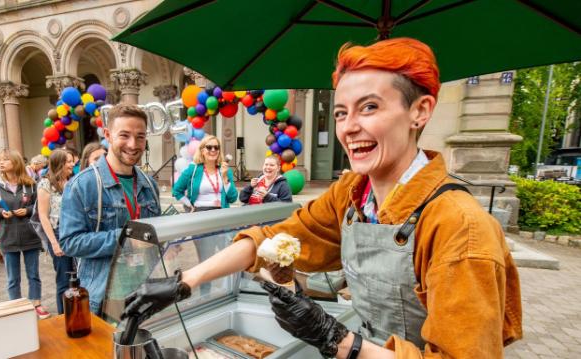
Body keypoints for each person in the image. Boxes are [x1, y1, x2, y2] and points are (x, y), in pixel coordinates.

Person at [122, 38, 522, 358]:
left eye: (370, 107)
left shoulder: (461, 226)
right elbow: (273, 238)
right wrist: (185, 282)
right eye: (341, 112)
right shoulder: (351, 195)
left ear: (420, 111)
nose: (350, 127)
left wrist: (337, 340)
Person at [58, 104, 161, 315]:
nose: (133, 144)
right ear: (108, 135)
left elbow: (154, 233)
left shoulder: (150, 185)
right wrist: (127, 238)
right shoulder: (82, 185)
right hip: (103, 299)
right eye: (125, 135)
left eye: (140, 137)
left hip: (144, 293)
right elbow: (70, 243)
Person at [0, 149, 50, 319]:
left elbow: (38, 207)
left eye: (5, 159)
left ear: (16, 162)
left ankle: (36, 304)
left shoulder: (30, 184)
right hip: (8, 236)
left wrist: (27, 211)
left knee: (33, 274)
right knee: (13, 278)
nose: (1, 162)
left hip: (30, 236)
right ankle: (17, 308)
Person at [37, 149, 76, 314]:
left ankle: (76, 314)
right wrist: (54, 243)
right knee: (63, 280)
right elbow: (43, 216)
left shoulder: (73, 180)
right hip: (58, 232)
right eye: (68, 161)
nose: (72, 164)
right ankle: (63, 317)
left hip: (75, 231)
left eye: (72, 161)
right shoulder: (45, 184)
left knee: (76, 278)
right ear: (59, 163)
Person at [172, 135, 238, 212]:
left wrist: (225, 178)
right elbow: (176, 190)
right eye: (209, 147)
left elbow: (233, 198)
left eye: (216, 147)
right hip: (200, 212)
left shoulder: (226, 170)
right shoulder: (193, 169)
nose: (213, 150)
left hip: (221, 212)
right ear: (202, 151)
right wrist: (189, 204)